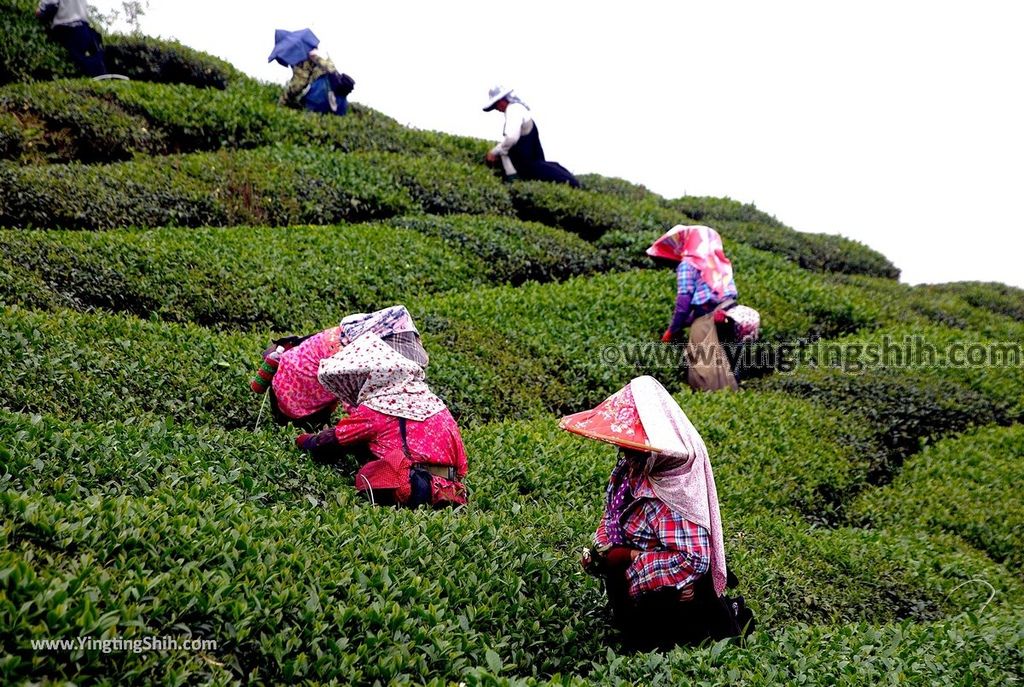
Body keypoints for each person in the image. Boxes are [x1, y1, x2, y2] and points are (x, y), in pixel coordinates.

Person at [561, 376, 753, 649]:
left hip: (670, 610)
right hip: (637, 599)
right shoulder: (630, 472)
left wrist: (631, 565)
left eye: (633, 449)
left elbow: (693, 559)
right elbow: (612, 517)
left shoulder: (674, 486)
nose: (626, 455)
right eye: (624, 448)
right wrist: (602, 552)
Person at [296, 332, 468, 508]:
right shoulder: (435, 404)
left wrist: (303, 440)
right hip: (451, 494)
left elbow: (333, 440)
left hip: (410, 490)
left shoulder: (378, 407)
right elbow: (462, 466)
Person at [250, 305, 428, 429]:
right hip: (295, 399)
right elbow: (353, 401)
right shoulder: (352, 354)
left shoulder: (347, 335)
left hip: (285, 381)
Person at [647, 225, 756, 392]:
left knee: (702, 366)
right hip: (730, 313)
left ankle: (709, 400)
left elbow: (684, 302)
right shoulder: (720, 262)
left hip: (709, 318)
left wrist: (672, 330)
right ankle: (733, 397)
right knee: (726, 361)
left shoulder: (688, 264)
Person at [482, 85, 580, 187]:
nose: (497, 109)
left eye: (497, 105)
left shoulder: (514, 110)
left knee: (563, 178)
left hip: (528, 166)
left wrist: (494, 152)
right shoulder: (518, 109)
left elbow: (511, 138)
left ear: (502, 101)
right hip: (534, 163)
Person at [269, 28, 353, 116]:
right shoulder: (316, 51)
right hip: (339, 98)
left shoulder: (301, 58)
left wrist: (283, 100)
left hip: (320, 94)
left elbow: (299, 83)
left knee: (308, 120)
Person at [36, 0, 107, 77]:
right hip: (83, 28)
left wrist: (39, 11)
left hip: (66, 28)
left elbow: (45, 8)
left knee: (76, 61)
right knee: (87, 60)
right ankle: (101, 76)